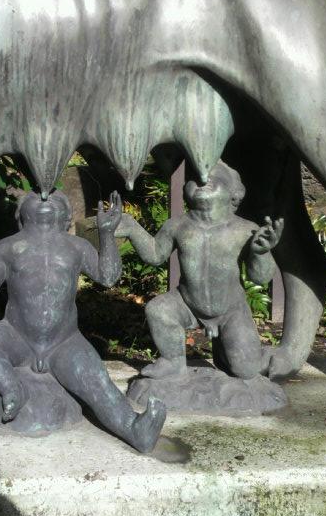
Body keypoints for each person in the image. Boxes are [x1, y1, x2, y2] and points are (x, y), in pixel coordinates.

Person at [0, 190, 166, 453]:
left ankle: (135, 429)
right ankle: (11, 386)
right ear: (20, 215)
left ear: (66, 216)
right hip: (16, 338)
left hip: (64, 343)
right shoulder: (7, 247)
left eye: (54, 196)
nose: (44, 196)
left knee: (97, 382)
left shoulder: (77, 246)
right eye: (35, 195)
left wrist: (106, 234)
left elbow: (107, 277)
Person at [116, 162, 284, 381]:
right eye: (196, 178)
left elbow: (260, 277)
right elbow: (155, 255)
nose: (203, 180)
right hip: (187, 304)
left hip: (231, 310)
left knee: (247, 370)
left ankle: (238, 351)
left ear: (234, 193)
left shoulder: (245, 229)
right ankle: (172, 362)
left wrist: (261, 253)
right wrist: (132, 228)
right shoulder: (177, 225)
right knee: (158, 309)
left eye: (214, 178)